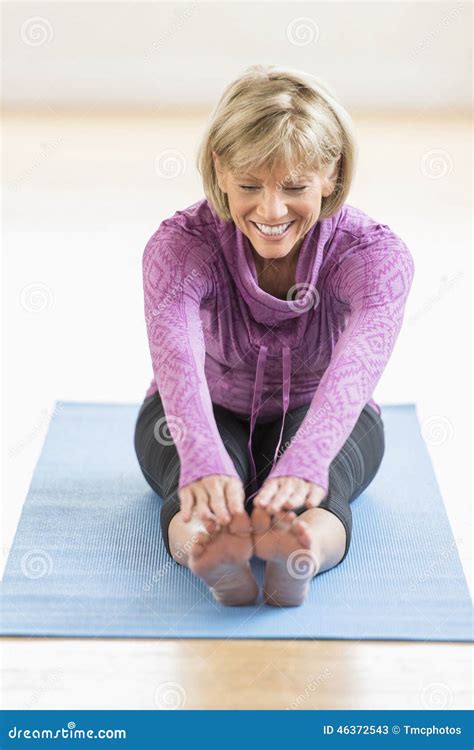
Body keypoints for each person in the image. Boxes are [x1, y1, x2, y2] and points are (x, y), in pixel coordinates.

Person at [134, 63, 415, 607]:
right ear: (219, 170)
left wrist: (309, 459)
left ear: (331, 173)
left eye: (293, 187)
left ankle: (300, 552)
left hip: (322, 410)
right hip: (206, 406)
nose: (270, 210)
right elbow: (177, 357)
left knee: (322, 492)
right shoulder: (179, 247)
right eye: (248, 186)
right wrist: (200, 458)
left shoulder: (376, 256)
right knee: (197, 494)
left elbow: (355, 368)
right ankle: (208, 549)